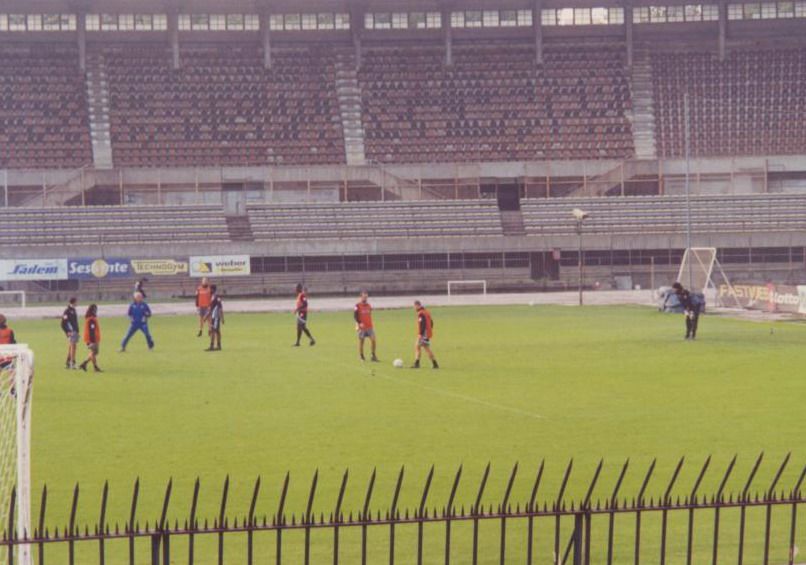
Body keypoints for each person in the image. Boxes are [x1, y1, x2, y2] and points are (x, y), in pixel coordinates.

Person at [412, 300, 438, 369]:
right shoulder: (426, 311)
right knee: (418, 346)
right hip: (427, 333)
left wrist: (421, 334)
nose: (414, 308)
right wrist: (429, 330)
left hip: (423, 333)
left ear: (417, 305)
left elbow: (422, 324)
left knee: (425, 348)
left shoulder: (421, 313)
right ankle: (417, 363)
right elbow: (431, 322)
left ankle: (434, 364)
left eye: (414, 306)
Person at [354, 290, 378, 362]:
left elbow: (369, 315)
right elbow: (355, 316)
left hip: (369, 326)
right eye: (363, 296)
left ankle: (373, 355)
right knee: (361, 342)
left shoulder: (369, 306)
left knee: (373, 340)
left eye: (366, 296)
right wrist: (358, 323)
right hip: (362, 327)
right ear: (361, 297)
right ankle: (361, 356)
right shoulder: (357, 306)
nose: (365, 298)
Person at [79, 304, 102, 372]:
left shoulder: (90, 318)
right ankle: (95, 367)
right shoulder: (91, 319)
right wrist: (92, 341)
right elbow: (92, 330)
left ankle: (84, 364)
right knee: (93, 352)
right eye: (95, 309)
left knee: (94, 352)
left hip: (92, 338)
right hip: (92, 339)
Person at [61, 297, 79, 369]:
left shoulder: (74, 310)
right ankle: (73, 363)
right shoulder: (67, 311)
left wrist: (77, 330)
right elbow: (63, 323)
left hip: (75, 331)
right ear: (73, 302)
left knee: (71, 347)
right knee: (73, 347)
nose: (77, 303)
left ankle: (68, 362)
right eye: (76, 302)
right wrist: (67, 331)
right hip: (71, 332)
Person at [205, 285, 224, 351]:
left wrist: (222, 318)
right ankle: (218, 346)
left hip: (216, 317)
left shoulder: (217, 297)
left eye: (210, 289)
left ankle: (212, 346)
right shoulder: (213, 297)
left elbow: (220, 308)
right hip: (213, 317)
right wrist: (207, 316)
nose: (209, 291)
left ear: (213, 290)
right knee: (216, 331)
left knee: (214, 331)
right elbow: (211, 309)